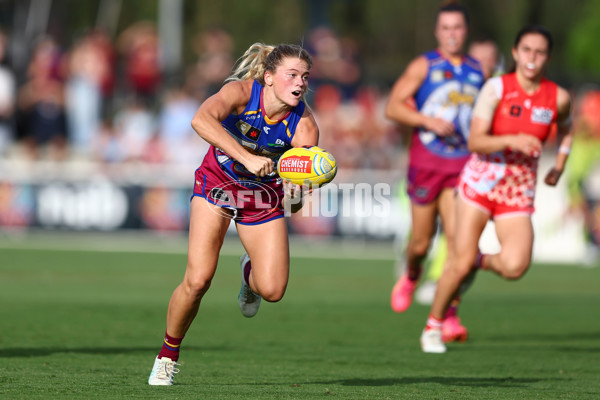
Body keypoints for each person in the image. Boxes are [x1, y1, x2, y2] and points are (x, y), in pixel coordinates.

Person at [148, 43, 319, 385]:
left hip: (262, 198)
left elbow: (295, 202)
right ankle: (167, 355)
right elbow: (200, 119)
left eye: (305, 77)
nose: (300, 83)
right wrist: (247, 157)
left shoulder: (305, 128)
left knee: (272, 290)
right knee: (198, 280)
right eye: (292, 75)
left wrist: (299, 193)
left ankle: (248, 273)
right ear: (268, 77)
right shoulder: (240, 93)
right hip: (216, 186)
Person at [420, 25, 574, 353]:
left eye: (540, 52)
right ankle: (433, 326)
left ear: (547, 57)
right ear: (516, 53)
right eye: (527, 50)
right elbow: (476, 141)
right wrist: (511, 139)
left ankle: (477, 259)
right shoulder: (496, 88)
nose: (533, 58)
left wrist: (559, 164)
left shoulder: (557, 96)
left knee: (516, 266)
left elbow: (567, 129)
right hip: (481, 182)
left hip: (518, 190)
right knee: (456, 264)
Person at [385, 2, 485, 343]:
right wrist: (427, 121)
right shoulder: (423, 66)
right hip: (427, 166)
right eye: (446, 28)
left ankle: (449, 315)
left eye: (457, 28)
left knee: (460, 247)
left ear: (466, 31)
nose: (452, 34)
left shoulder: (477, 71)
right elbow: (393, 106)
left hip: (462, 169)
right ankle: (412, 275)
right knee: (421, 242)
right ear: (437, 32)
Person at [414, 37, 503, 306]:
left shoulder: (501, 89)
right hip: (452, 168)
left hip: (487, 174)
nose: (484, 65)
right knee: (441, 236)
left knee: (462, 238)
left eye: (490, 60)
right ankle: (432, 279)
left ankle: (449, 298)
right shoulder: (454, 83)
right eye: (479, 60)